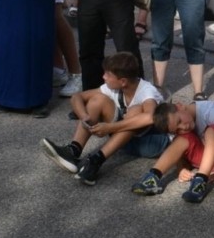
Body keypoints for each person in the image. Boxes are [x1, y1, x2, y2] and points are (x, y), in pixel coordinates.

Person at [45, 51, 166, 182]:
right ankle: (73, 150)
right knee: (97, 100)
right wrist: (85, 116)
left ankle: (96, 161)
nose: (103, 77)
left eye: (108, 74)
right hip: (124, 140)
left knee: (135, 111)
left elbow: (149, 117)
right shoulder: (114, 86)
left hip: (151, 143)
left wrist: (110, 128)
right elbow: (77, 97)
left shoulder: (147, 91)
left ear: (123, 81)